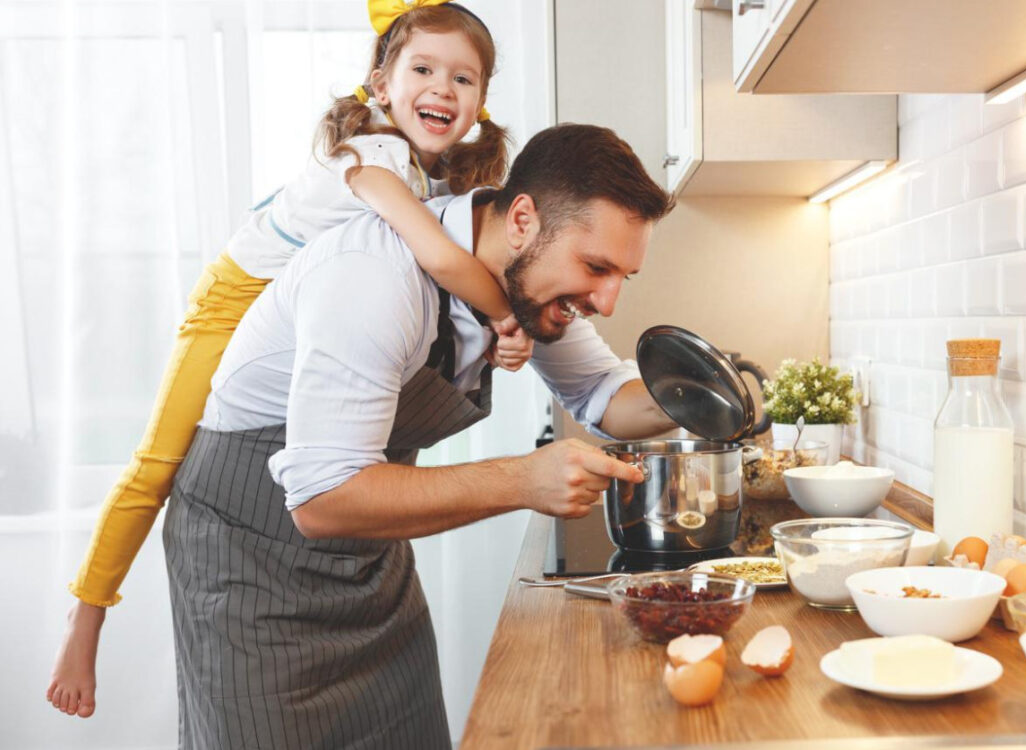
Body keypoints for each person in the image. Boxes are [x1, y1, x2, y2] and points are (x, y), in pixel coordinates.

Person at [47, 0, 532, 720]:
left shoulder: (437, 180)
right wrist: (506, 315)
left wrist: (501, 334)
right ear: (381, 82)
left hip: (292, 311)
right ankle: (84, 620)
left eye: (463, 78)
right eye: (423, 69)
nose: (442, 88)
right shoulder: (372, 156)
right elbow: (439, 258)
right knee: (159, 463)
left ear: (482, 101)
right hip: (235, 297)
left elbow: (444, 283)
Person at [164, 122, 675, 748]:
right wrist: (523, 480)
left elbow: (603, 394)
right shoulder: (374, 275)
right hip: (250, 573)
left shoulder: (524, 286)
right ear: (522, 220)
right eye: (596, 267)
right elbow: (322, 499)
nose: (608, 301)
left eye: (623, 276)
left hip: (369, 564)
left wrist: (701, 394)